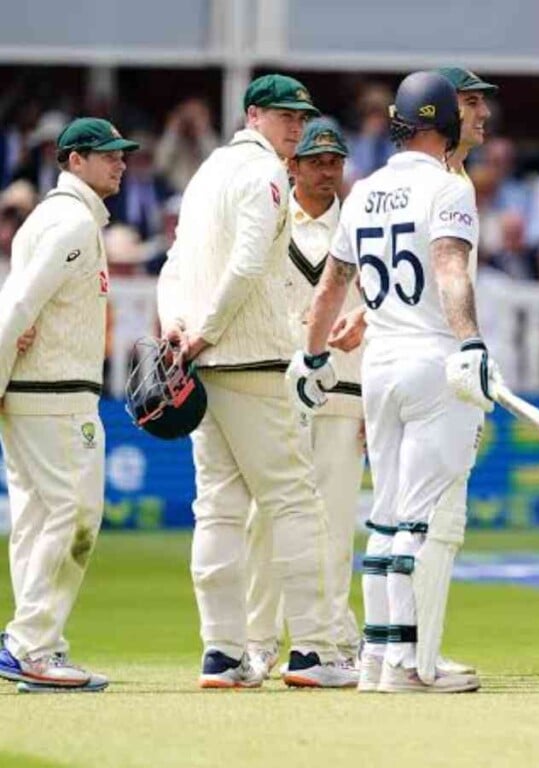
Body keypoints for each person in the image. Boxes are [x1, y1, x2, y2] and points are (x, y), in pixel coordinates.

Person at [293, 70, 497, 693]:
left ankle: (380, 662)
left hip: (379, 366)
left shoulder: (365, 191)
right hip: (433, 362)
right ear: (444, 124)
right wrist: (470, 343)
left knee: (383, 519)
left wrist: (313, 357)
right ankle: (407, 665)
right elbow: (450, 270)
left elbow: (331, 286)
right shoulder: (447, 188)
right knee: (415, 521)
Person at [157, 74, 355, 689]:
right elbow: (243, 264)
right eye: (284, 117)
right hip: (250, 362)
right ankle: (314, 652)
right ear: (253, 116)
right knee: (295, 502)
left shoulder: (204, 175)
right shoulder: (266, 173)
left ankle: (222, 653)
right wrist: (202, 333)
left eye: (301, 118)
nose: (295, 128)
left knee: (217, 510)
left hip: (205, 367)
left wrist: (178, 331)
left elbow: (174, 267)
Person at [0, 117, 140, 693]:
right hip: (55, 399)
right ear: (73, 161)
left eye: (122, 153)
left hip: (38, 396)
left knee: (37, 519)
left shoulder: (63, 219)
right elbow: (17, 305)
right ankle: (30, 644)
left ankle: (36, 642)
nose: (121, 162)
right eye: (107, 155)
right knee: (74, 515)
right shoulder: (69, 223)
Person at [243, 117, 364, 680]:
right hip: (274, 391)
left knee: (334, 522)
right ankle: (256, 639)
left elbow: (385, 305)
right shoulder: (268, 222)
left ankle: (331, 639)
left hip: (342, 390)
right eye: (315, 161)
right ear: (292, 167)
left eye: (334, 161)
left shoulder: (359, 227)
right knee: (266, 519)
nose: (327, 171)